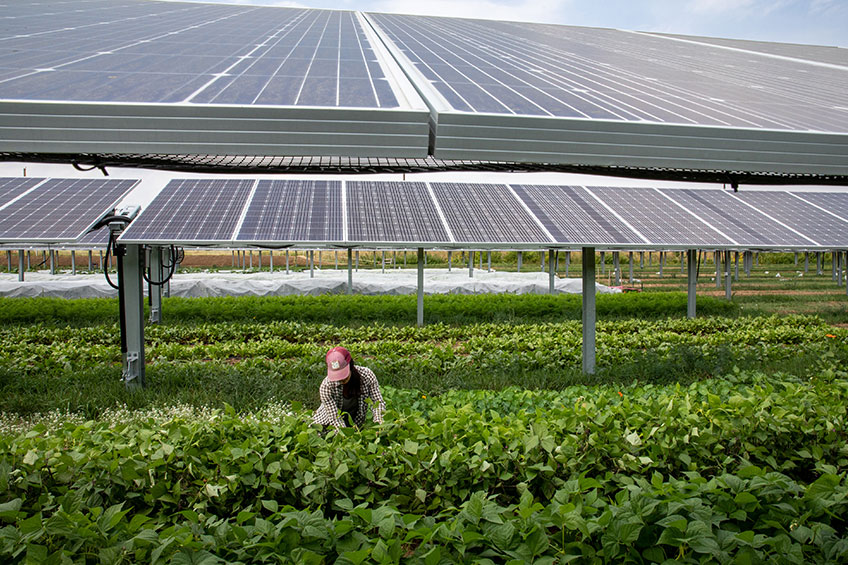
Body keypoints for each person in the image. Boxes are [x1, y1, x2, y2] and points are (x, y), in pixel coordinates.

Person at [313, 346, 385, 430]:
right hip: (328, 424)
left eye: (343, 373)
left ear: (350, 365)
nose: (341, 379)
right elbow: (335, 418)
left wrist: (379, 424)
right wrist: (345, 435)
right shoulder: (326, 387)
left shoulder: (367, 376)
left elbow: (377, 402)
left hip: (355, 422)